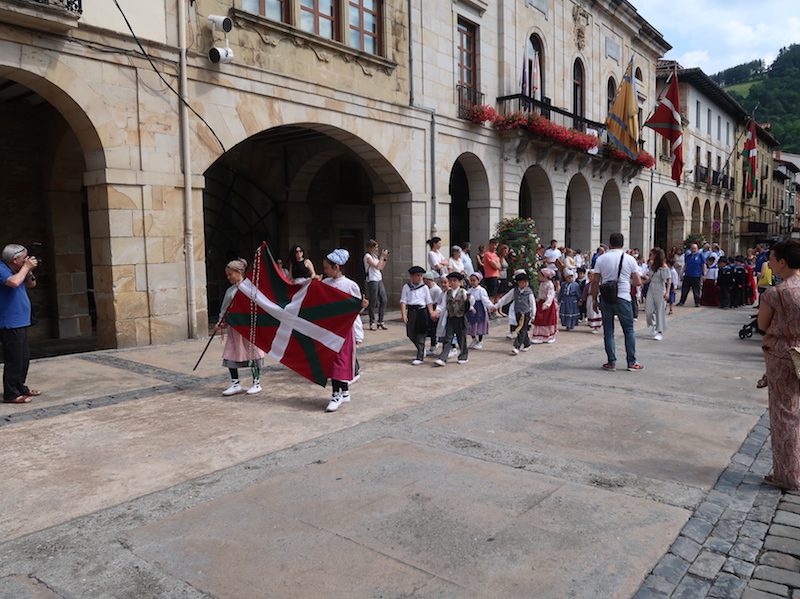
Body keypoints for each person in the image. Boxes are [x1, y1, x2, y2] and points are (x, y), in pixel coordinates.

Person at [757, 239, 800, 490]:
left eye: (771, 259)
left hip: (784, 355)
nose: (769, 263)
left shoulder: (776, 293)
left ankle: (789, 474)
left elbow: (762, 325)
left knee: (784, 415)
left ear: (782, 262)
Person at [322, 249, 367, 412]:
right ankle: (344, 391)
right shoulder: (325, 283)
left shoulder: (350, 285)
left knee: (340, 360)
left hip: (344, 330)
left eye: (327, 268)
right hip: (330, 329)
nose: (325, 271)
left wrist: (361, 306)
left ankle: (336, 394)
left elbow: (356, 310)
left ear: (336, 267)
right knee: (333, 360)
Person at [591, 232, 643, 371]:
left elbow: (595, 281)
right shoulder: (629, 259)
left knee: (608, 331)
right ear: (623, 244)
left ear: (609, 244)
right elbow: (638, 282)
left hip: (606, 297)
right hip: (623, 297)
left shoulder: (601, 259)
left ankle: (611, 362)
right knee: (629, 330)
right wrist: (626, 282)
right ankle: (631, 362)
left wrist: (594, 299)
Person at [215, 258, 265, 397]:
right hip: (235, 329)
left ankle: (256, 383)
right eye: (227, 275)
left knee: (253, 354)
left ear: (239, 272)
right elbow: (224, 309)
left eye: (230, 274)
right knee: (231, 352)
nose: (228, 277)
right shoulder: (230, 291)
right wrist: (220, 322)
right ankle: (235, 383)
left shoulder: (251, 288)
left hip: (249, 328)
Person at [0, 244, 40, 403]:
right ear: (15, 260)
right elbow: (14, 282)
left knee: (23, 358)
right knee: (14, 359)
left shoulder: (19, 270)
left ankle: (20, 387)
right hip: (9, 322)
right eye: (24, 258)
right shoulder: (2, 269)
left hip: (21, 320)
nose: (26, 260)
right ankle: (11, 394)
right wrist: (25, 268)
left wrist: (28, 271)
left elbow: (31, 284)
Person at [434, 272, 474, 366]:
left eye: (454, 280)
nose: (452, 282)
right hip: (451, 317)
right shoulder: (447, 293)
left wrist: (470, 300)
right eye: (450, 281)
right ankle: (443, 358)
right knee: (448, 338)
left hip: (460, 317)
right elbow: (443, 305)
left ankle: (463, 356)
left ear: (459, 282)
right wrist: (437, 311)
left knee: (461, 337)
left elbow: (470, 303)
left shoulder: (463, 292)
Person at [400, 266, 437, 365]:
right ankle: (421, 347)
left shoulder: (424, 287)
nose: (420, 278)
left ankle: (420, 356)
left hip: (421, 311)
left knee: (421, 333)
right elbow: (403, 301)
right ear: (411, 276)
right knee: (410, 333)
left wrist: (431, 312)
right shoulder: (406, 287)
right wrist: (403, 314)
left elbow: (428, 301)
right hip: (412, 311)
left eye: (421, 276)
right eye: (417, 276)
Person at [495, 271, 536, 354]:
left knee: (521, 330)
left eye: (527, 281)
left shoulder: (529, 292)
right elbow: (506, 298)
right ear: (518, 282)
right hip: (518, 313)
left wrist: (533, 315)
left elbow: (533, 304)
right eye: (524, 281)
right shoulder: (515, 291)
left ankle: (517, 346)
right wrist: (496, 306)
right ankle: (527, 344)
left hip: (525, 314)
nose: (526, 283)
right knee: (523, 329)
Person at [643, 248, 670, 341]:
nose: (650, 256)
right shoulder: (652, 265)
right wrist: (643, 283)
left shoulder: (663, 266)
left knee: (660, 310)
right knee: (648, 310)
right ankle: (654, 324)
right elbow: (651, 278)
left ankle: (659, 331)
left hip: (660, 288)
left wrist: (667, 292)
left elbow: (668, 279)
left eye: (651, 254)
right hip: (651, 287)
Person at [363, 239, 389, 331]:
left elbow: (381, 267)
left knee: (384, 299)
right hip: (372, 280)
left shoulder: (375, 256)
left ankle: (380, 320)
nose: (377, 249)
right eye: (375, 247)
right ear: (370, 247)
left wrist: (384, 258)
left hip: (379, 279)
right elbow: (377, 266)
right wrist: (382, 257)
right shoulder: (367, 256)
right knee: (373, 301)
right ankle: (372, 322)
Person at [531, 267, 558, 344]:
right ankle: (539, 336)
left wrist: (547, 304)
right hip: (541, 303)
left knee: (548, 320)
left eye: (540, 275)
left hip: (548, 305)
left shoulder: (550, 285)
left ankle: (551, 336)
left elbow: (550, 295)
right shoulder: (542, 284)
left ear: (545, 276)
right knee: (540, 320)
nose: (539, 277)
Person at [466, 272, 492, 349]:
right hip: (471, 308)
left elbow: (485, 300)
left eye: (474, 280)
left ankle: (480, 341)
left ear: (479, 281)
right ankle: (474, 339)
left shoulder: (481, 290)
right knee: (471, 325)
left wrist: (490, 306)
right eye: (471, 280)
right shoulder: (469, 290)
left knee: (480, 325)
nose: (472, 282)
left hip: (480, 309)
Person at [422, 271, 443, 355]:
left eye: (428, 283)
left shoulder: (436, 289)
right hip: (427, 309)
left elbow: (438, 302)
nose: (427, 285)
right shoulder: (426, 288)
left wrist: (435, 312)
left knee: (433, 329)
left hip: (434, 309)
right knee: (428, 329)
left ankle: (433, 345)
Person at [581, 268, 602, 334]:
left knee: (595, 312)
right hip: (589, 299)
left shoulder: (598, 284)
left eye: (592, 276)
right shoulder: (587, 285)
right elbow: (584, 293)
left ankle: (596, 326)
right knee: (590, 311)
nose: (590, 278)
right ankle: (592, 324)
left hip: (596, 298)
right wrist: (582, 300)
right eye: (589, 276)